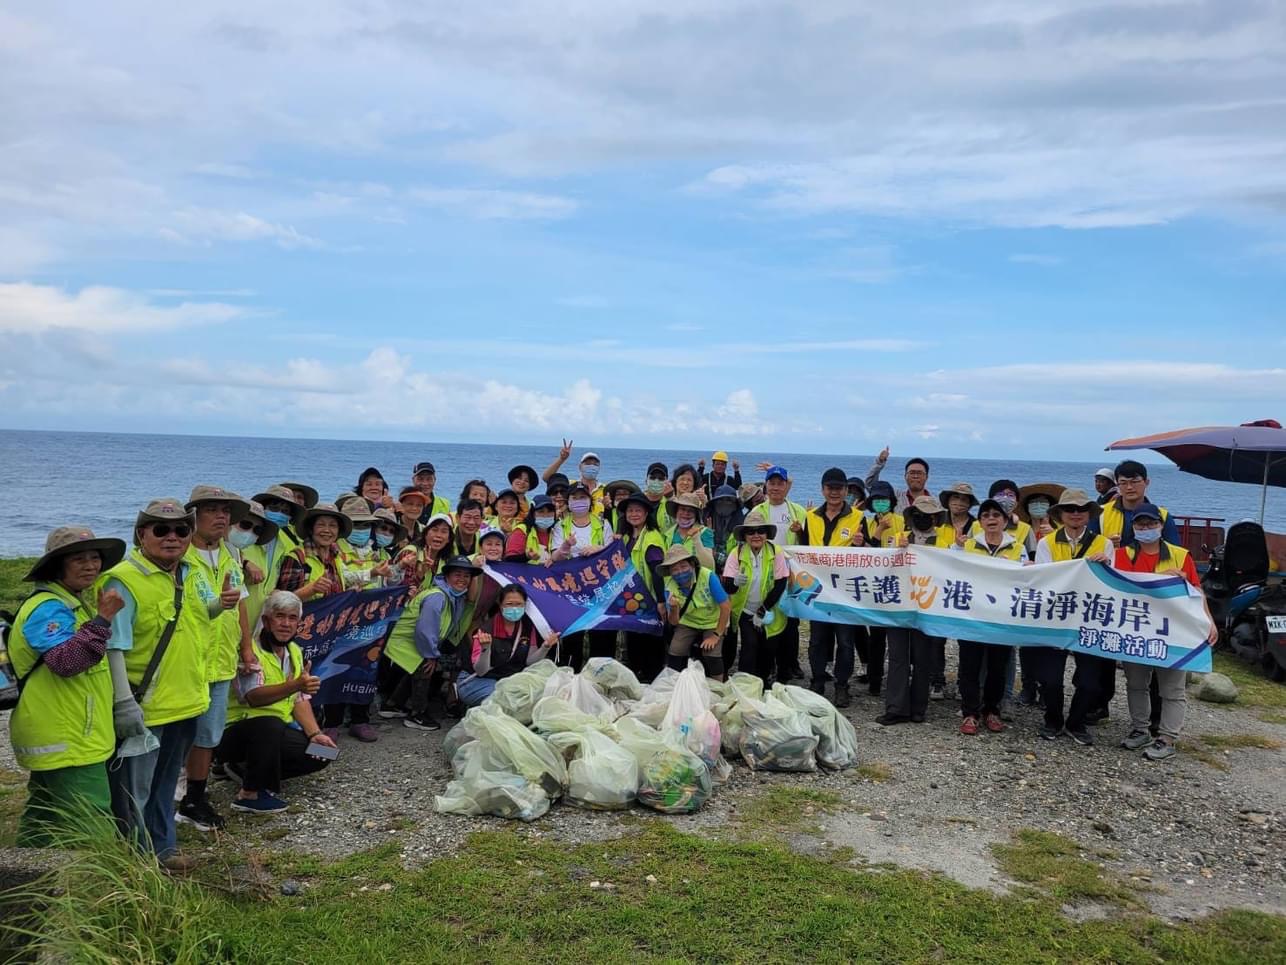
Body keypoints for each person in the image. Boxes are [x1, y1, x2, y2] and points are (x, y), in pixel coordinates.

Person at [98, 498, 211, 870]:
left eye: (181, 529)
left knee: (164, 786)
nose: (172, 537)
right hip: (146, 705)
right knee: (134, 790)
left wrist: (223, 603)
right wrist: (123, 703)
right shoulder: (124, 580)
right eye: (161, 530)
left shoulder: (191, 570)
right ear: (141, 534)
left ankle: (163, 848)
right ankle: (134, 860)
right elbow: (115, 646)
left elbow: (199, 615)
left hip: (187, 700)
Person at [8, 526, 125, 847]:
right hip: (68, 736)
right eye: (78, 559)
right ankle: (99, 891)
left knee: (43, 817)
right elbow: (66, 661)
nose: (90, 565)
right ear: (57, 565)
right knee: (93, 823)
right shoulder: (48, 608)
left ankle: (27, 887)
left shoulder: (68, 602)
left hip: (66, 731)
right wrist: (102, 621)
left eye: (95, 557)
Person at [1113, 503, 1219, 761]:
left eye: (1151, 524)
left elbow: (1195, 590)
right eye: (1140, 525)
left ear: (1161, 526)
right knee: (1136, 683)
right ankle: (1140, 729)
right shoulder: (1121, 555)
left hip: (1173, 630)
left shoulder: (1180, 555)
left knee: (1172, 687)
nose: (1146, 529)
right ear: (1133, 528)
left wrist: (1209, 620)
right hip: (1135, 628)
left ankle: (1167, 737)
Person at [178, 485, 253, 834]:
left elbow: (238, 604)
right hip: (186, 662)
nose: (222, 517)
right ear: (193, 515)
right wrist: (215, 606)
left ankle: (195, 796)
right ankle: (165, 795)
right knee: (176, 733)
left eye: (226, 511)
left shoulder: (230, 555)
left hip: (221, 661)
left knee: (208, 734)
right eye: (212, 509)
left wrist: (247, 649)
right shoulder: (178, 556)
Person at [218, 591, 334, 814]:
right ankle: (249, 793)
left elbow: (299, 700)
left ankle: (245, 770)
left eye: (292, 618)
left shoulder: (295, 651)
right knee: (268, 724)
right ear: (265, 621)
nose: (286, 624)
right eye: (279, 616)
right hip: (238, 730)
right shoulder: (250, 652)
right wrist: (295, 685)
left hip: (278, 729)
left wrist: (314, 734)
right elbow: (253, 697)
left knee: (326, 752)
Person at [1032, 489, 1114, 745]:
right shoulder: (1046, 543)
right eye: (1070, 509)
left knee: (1090, 682)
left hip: (1090, 619)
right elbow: (1044, 579)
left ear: (1089, 513)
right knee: (1050, 679)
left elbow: (1112, 584)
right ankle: (1053, 720)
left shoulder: (1105, 544)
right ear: (1060, 515)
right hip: (1055, 618)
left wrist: (1106, 566)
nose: (1075, 514)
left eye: (1081, 509)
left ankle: (1076, 723)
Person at [383, 556, 481, 730]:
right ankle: (417, 714)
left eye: (467, 576)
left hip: (415, 641)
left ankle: (392, 705)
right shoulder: (437, 596)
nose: (462, 580)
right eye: (457, 575)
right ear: (447, 577)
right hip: (409, 641)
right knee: (425, 668)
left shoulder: (454, 597)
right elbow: (425, 629)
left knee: (417, 668)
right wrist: (431, 655)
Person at [957, 499, 1027, 735]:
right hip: (972, 616)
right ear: (980, 522)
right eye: (986, 515)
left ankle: (992, 710)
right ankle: (969, 712)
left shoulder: (1018, 548)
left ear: (1005, 520)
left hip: (1002, 618)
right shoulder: (966, 547)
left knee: (998, 668)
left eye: (996, 515)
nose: (991, 519)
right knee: (969, 666)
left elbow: (1030, 577)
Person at [805, 468, 866, 707]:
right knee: (817, 639)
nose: (834, 492)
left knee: (846, 641)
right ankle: (818, 680)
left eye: (839, 488)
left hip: (845, 591)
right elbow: (801, 551)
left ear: (846, 491)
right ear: (822, 490)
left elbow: (871, 556)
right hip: (818, 590)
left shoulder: (859, 518)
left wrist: (863, 544)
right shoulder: (810, 517)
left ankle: (842, 685)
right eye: (830, 488)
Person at [743, 466, 807, 682]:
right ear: (766, 485)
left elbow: (808, 545)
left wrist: (801, 533)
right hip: (764, 574)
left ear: (786, 486)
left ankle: (787, 667)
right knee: (767, 620)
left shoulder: (798, 511)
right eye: (772, 483)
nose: (776, 487)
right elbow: (747, 541)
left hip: (792, 575)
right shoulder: (757, 512)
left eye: (780, 483)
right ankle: (766, 667)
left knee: (790, 623)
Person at [456, 585, 559, 706]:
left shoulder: (527, 627)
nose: (514, 608)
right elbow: (480, 671)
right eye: (509, 604)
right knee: (505, 700)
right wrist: (486, 648)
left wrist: (545, 647)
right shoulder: (486, 630)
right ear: (500, 605)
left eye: (519, 604)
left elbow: (530, 661)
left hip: (506, 680)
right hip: (478, 681)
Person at [550, 482, 616, 667]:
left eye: (583, 497)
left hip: (599, 588)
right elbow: (554, 557)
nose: (579, 501)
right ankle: (571, 678)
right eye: (574, 498)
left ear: (590, 500)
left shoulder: (603, 523)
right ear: (568, 501)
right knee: (573, 638)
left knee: (602, 637)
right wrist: (565, 547)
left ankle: (600, 679)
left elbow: (612, 552)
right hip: (571, 589)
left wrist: (599, 548)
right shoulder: (560, 526)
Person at [722, 522, 788, 683]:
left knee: (768, 647)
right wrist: (735, 582)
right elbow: (728, 587)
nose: (756, 535)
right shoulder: (736, 553)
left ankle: (763, 681)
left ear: (767, 534)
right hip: (744, 610)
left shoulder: (776, 551)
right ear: (744, 536)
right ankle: (745, 684)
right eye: (751, 532)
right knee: (749, 646)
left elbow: (781, 583)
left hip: (770, 609)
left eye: (761, 531)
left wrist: (763, 609)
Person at [617, 492, 668, 682]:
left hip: (650, 600)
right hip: (631, 601)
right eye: (630, 510)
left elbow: (657, 571)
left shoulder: (651, 537)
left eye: (638, 510)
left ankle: (652, 681)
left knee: (651, 645)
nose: (634, 514)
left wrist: (661, 601)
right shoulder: (627, 537)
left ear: (647, 513)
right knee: (634, 644)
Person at [660, 546, 731, 679]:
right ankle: (672, 686)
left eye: (683, 566)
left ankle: (718, 688)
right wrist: (674, 608)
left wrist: (716, 635)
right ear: (670, 572)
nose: (680, 572)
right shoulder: (670, 586)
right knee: (675, 651)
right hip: (688, 622)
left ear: (692, 565)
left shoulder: (708, 576)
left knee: (711, 655)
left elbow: (726, 606)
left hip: (713, 622)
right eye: (674, 569)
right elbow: (674, 621)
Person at [1092, 460, 1180, 549]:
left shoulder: (1162, 515)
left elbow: (1174, 551)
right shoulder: (1100, 513)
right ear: (1117, 485)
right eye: (1123, 483)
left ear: (1146, 482)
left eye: (1135, 482)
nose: (1129, 487)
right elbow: (1088, 549)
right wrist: (1106, 545)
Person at [277, 503, 351, 603]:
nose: (327, 530)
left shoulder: (336, 556)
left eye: (333, 525)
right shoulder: (297, 558)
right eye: (321, 525)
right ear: (311, 529)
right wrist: (311, 590)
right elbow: (283, 601)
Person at [235, 498, 289, 633]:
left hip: (260, 624)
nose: (280, 514)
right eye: (274, 508)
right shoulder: (239, 543)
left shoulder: (284, 546)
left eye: (258, 529)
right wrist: (245, 563)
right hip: (234, 623)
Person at [337, 499, 390, 590]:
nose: (361, 528)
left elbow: (387, 581)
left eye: (366, 524)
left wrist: (400, 566)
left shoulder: (374, 550)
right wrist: (371, 574)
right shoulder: (335, 549)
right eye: (356, 524)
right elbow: (342, 578)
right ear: (345, 526)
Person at [505, 494, 559, 564]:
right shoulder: (522, 530)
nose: (546, 515)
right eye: (541, 511)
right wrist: (527, 557)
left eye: (549, 511)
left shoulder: (556, 531)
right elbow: (509, 559)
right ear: (533, 513)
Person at [938, 482, 978, 548]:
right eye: (955, 497)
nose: (959, 502)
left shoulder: (976, 525)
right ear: (948, 500)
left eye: (964, 499)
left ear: (969, 504)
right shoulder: (937, 520)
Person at [642, 461, 670, 527]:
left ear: (667, 482)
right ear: (646, 480)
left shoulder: (670, 503)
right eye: (652, 478)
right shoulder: (637, 501)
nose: (656, 481)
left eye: (661, 479)